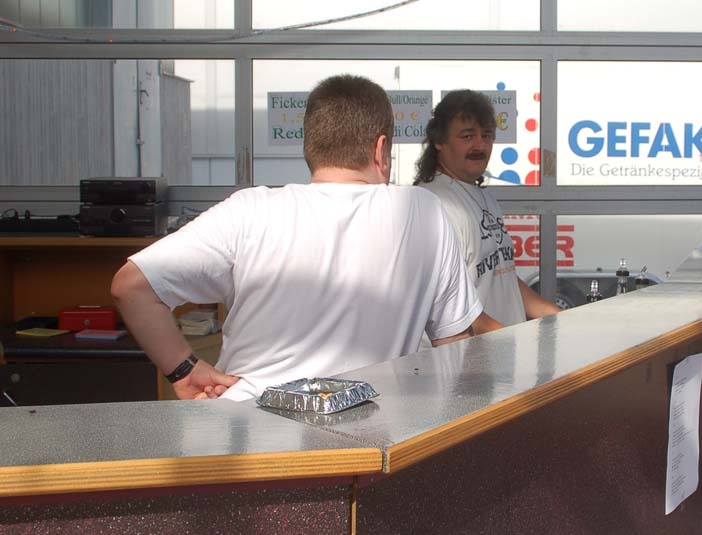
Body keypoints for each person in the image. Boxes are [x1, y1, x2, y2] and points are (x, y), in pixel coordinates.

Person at [111, 74, 499, 401]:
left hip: (247, 439)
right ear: (381, 150)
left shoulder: (250, 210)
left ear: (310, 148)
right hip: (368, 442)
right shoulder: (424, 211)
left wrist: (185, 369)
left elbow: (131, 287)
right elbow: (454, 348)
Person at [413, 90, 560, 327]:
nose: (480, 145)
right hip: (469, 350)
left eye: (487, 135)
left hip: (501, 345)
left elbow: (502, 275)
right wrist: (507, 338)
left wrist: (560, 317)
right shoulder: (433, 203)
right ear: (439, 141)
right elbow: (445, 304)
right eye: (467, 136)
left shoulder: (485, 198)